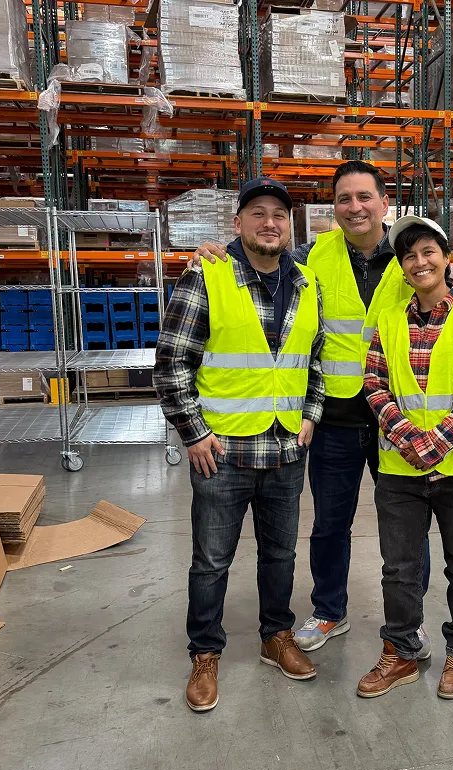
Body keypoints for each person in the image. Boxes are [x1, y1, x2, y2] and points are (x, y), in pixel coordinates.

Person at [191, 160, 453, 658]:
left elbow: (437, 285)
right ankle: (330, 609)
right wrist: (216, 251)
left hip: (397, 420)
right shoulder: (313, 254)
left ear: (384, 203)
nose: (355, 207)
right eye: (344, 199)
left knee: (409, 530)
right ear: (333, 207)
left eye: (364, 197)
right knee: (330, 523)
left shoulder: (407, 254)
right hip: (333, 417)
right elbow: (261, 255)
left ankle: (411, 620)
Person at [154, 177, 325, 712]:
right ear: (238, 223)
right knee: (211, 561)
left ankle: (277, 636)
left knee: (280, 554)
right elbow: (171, 362)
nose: (269, 222)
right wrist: (194, 432)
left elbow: (315, 360)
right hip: (222, 453)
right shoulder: (207, 275)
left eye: (279, 214)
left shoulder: (306, 283)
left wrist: (311, 416)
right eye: (257, 213)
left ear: (288, 226)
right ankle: (206, 652)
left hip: (284, 449)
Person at [357, 215, 453, 700]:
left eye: (428, 252)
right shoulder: (389, 319)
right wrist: (408, 439)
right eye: (409, 256)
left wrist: (433, 445)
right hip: (400, 469)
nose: (419, 262)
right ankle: (401, 651)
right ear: (401, 267)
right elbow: (374, 383)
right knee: (398, 569)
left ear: (446, 258)